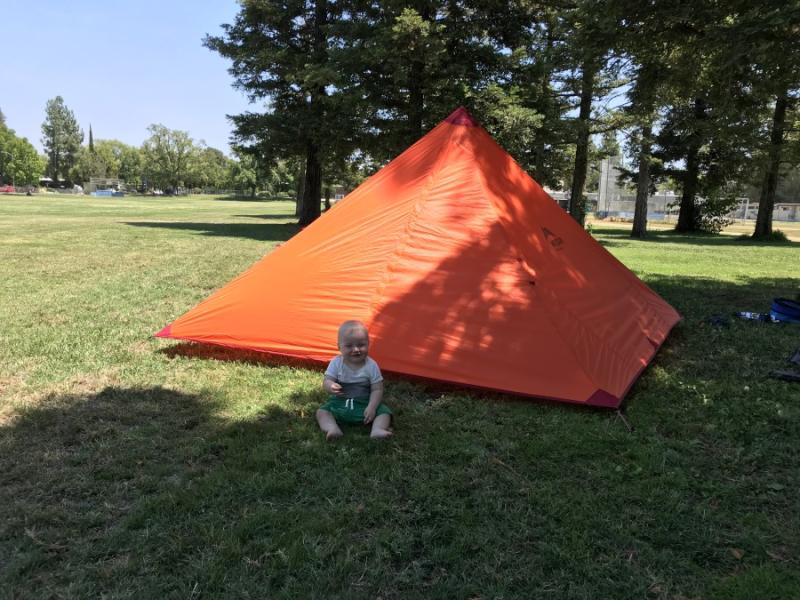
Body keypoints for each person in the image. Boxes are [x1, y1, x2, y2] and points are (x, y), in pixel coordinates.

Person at [316, 320, 393, 440]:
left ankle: (377, 430)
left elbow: (377, 389)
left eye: (361, 344)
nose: (356, 349)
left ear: (368, 344)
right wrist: (330, 386)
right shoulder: (336, 363)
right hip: (340, 404)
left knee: (384, 412)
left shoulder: (371, 365)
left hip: (364, 406)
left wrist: (372, 407)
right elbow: (326, 381)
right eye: (349, 346)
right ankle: (332, 428)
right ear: (339, 347)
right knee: (322, 412)